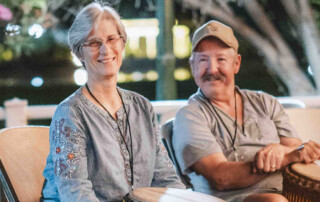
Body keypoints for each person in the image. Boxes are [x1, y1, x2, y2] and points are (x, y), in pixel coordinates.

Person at [41, 2, 185, 201]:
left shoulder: (142, 107)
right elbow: (75, 192)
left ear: (122, 44)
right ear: (78, 52)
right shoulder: (70, 113)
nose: (105, 50)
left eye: (111, 39)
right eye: (94, 43)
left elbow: (166, 179)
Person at [172, 20, 320, 202]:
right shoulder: (189, 116)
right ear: (192, 66)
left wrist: (284, 151)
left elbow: (294, 149)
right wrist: (283, 158)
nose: (212, 69)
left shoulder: (266, 102)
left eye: (221, 59)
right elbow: (219, 177)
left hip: (289, 193)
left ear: (236, 64)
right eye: (203, 60)